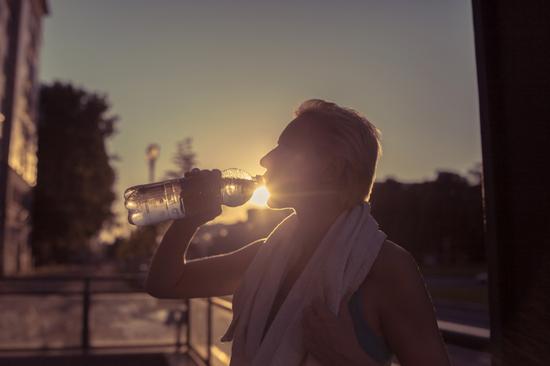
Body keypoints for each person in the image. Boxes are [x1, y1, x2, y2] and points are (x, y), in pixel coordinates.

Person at [145, 99, 451, 365]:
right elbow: (165, 283)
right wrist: (188, 219)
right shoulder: (266, 255)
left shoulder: (388, 269)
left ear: (330, 169)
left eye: (285, 149)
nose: (265, 160)